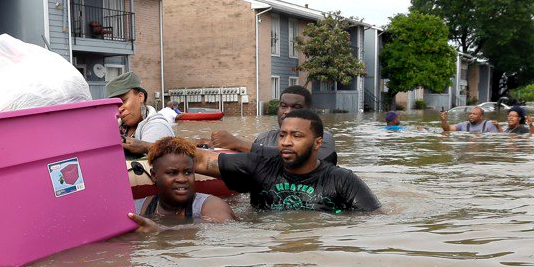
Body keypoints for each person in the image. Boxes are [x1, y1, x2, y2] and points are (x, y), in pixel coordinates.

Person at [193, 109, 380, 212]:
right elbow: (200, 161)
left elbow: (375, 220)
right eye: (282, 135)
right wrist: (166, 146)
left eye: (296, 136)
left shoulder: (342, 180)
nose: (286, 142)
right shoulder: (258, 165)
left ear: (317, 143)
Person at [209, 85, 337, 165]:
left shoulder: (322, 138)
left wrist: (238, 143)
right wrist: (214, 146)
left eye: (296, 107)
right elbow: (246, 159)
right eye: (283, 106)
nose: (287, 111)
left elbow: (306, 159)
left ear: (309, 111)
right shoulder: (264, 138)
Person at [133, 137, 236, 224]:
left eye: (188, 173)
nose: (182, 179)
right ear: (154, 175)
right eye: (172, 173)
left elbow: (222, 230)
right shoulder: (139, 208)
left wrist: (160, 230)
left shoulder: (212, 205)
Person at [106, 71, 174, 155]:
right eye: (114, 105)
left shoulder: (157, 126)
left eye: (123, 101)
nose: (119, 109)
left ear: (140, 97)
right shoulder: (117, 127)